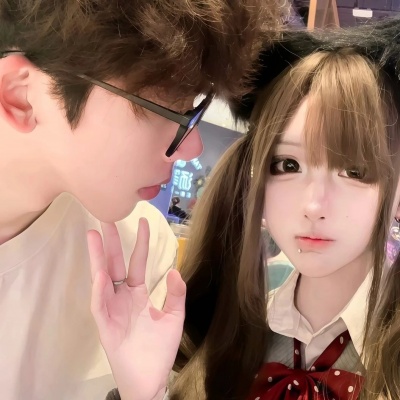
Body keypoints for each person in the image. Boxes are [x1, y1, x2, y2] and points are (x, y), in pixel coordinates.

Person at [89, 19, 400, 400]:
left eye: (355, 171)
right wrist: (142, 391)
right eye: (288, 165)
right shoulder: (220, 341)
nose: (314, 205)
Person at [0, 1, 283, 399]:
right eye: (166, 109)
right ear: (22, 97)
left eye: (191, 110)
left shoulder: (137, 254)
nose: (192, 147)